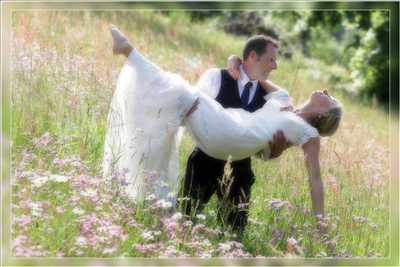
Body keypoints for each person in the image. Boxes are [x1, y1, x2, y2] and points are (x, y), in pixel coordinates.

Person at [102, 25, 342, 232]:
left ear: (323, 114)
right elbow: (256, 75)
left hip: (229, 135)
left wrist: (321, 225)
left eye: (330, 100)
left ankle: (129, 52)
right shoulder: (283, 98)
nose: (326, 93)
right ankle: (130, 58)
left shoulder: (308, 134)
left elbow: (315, 180)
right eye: (271, 60)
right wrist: (235, 60)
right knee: (179, 93)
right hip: (223, 131)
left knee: (181, 91)